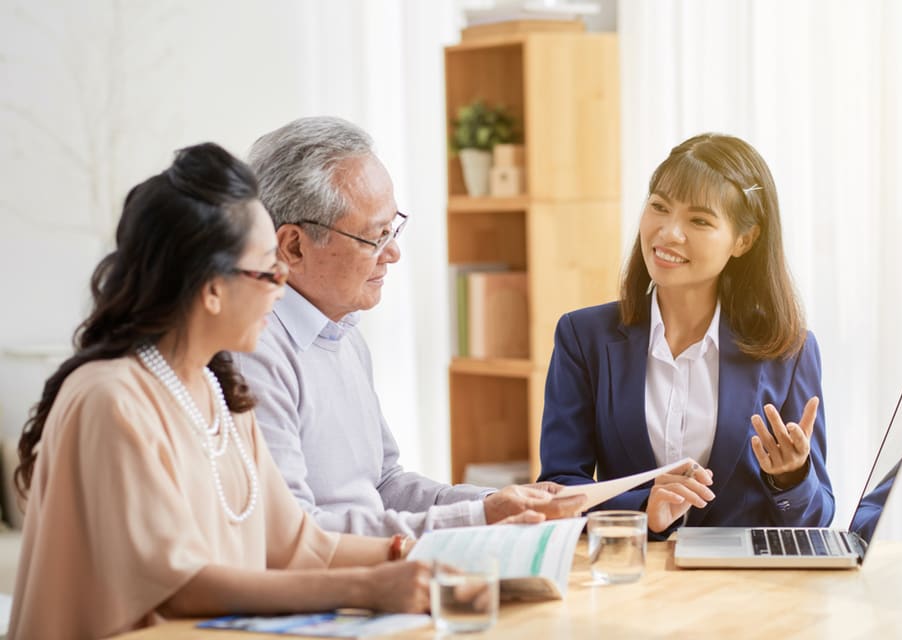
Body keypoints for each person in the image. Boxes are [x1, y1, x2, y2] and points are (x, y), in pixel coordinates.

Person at [9, 143, 439, 639]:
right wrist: (364, 588)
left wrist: (414, 555)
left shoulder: (219, 393)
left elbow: (297, 545)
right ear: (211, 287)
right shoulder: (110, 399)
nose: (281, 290)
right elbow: (177, 587)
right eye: (268, 271)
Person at [236, 116, 584, 538]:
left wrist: (490, 503)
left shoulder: (342, 332)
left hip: (374, 573)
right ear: (293, 246)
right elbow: (295, 532)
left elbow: (384, 485)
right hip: (330, 589)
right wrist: (476, 520)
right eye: (375, 237)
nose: (394, 252)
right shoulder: (252, 350)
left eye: (393, 227)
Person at [538, 133, 835, 538]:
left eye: (699, 220)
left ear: (743, 240)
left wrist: (791, 477)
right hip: (632, 580)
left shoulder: (788, 351)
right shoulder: (583, 338)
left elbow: (815, 521)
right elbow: (557, 489)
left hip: (744, 591)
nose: (669, 233)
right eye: (659, 207)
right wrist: (643, 506)